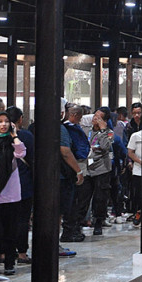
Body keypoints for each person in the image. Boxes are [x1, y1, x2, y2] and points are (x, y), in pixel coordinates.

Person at [0, 111, 26, 275]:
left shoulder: (12, 141)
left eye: (6, 122)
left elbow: (21, 153)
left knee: (11, 230)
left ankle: (10, 262)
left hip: (10, 191)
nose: (3, 125)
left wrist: (14, 135)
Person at [76, 108, 114, 236]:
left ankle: (98, 222)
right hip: (87, 168)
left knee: (100, 198)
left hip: (101, 169)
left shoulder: (109, 133)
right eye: (94, 116)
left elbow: (105, 146)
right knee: (83, 197)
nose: (94, 119)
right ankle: (79, 223)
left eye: (98, 117)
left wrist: (103, 130)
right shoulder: (86, 130)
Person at [6, 106, 34, 265]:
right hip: (23, 182)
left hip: (3, 184)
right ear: (20, 119)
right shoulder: (26, 136)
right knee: (23, 219)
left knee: (6, 219)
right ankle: (22, 252)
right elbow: (33, 157)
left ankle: (3, 252)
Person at [59, 104, 88, 243]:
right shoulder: (65, 129)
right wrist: (78, 170)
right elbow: (66, 151)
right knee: (70, 204)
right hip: (66, 172)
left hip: (62, 172)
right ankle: (69, 232)